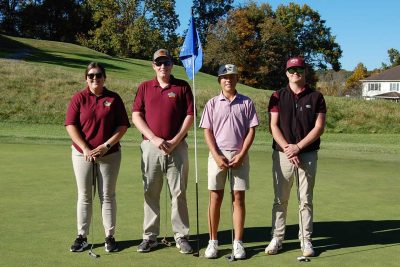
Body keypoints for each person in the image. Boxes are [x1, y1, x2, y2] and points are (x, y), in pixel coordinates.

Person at [132, 49, 194, 254]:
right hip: (151, 147)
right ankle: (150, 237)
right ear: (153, 66)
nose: (162, 66)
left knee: (178, 192)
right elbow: (136, 116)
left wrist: (175, 140)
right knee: (151, 191)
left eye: (166, 62)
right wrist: (154, 138)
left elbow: (189, 116)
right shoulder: (144, 87)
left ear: (171, 65)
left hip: (177, 147)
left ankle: (181, 236)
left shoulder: (182, 87)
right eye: (158, 63)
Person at [65, 62, 130, 253]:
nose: (95, 78)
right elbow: (71, 125)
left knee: (107, 196)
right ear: (86, 78)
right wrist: (85, 148)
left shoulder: (114, 98)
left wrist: (106, 145)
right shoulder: (79, 98)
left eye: (99, 75)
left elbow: (122, 126)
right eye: (91, 75)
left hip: (109, 154)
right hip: (82, 154)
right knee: (85, 196)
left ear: (104, 77)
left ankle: (109, 237)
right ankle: (82, 236)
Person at [265, 57, 326, 257]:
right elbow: (273, 125)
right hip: (282, 154)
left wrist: (298, 147)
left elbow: (319, 127)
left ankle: (305, 240)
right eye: (292, 70)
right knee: (280, 199)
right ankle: (277, 237)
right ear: (286, 73)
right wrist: (287, 148)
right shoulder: (277, 95)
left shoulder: (316, 97)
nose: (295, 73)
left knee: (305, 199)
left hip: (307, 154)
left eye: (299, 69)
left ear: (304, 71)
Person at [199, 64, 259, 259]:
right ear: (219, 80)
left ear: (236, 79)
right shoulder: (212, 103)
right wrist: (216, 155)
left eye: (232, 76)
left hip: (239, 154)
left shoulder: (246, 102)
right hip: (217, 154)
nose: (228, 80)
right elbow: (207, 131)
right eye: (224, 77)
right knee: (215, 198)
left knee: (238, 198)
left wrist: (241, 154)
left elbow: (251, 130)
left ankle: (238, 243)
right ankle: (213, 241)